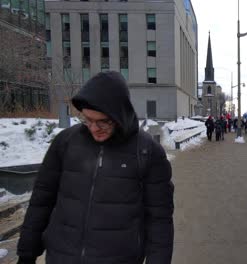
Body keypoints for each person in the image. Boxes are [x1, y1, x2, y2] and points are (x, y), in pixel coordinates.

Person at [17, 71, 174, 264]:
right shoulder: (66, 142)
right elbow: (42, 200)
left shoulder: (147, 152)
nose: (94, 128)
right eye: (88, 120)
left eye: (103, 122)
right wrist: (27, 253)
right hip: (61, 257)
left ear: (120, 115)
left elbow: (160, 219)